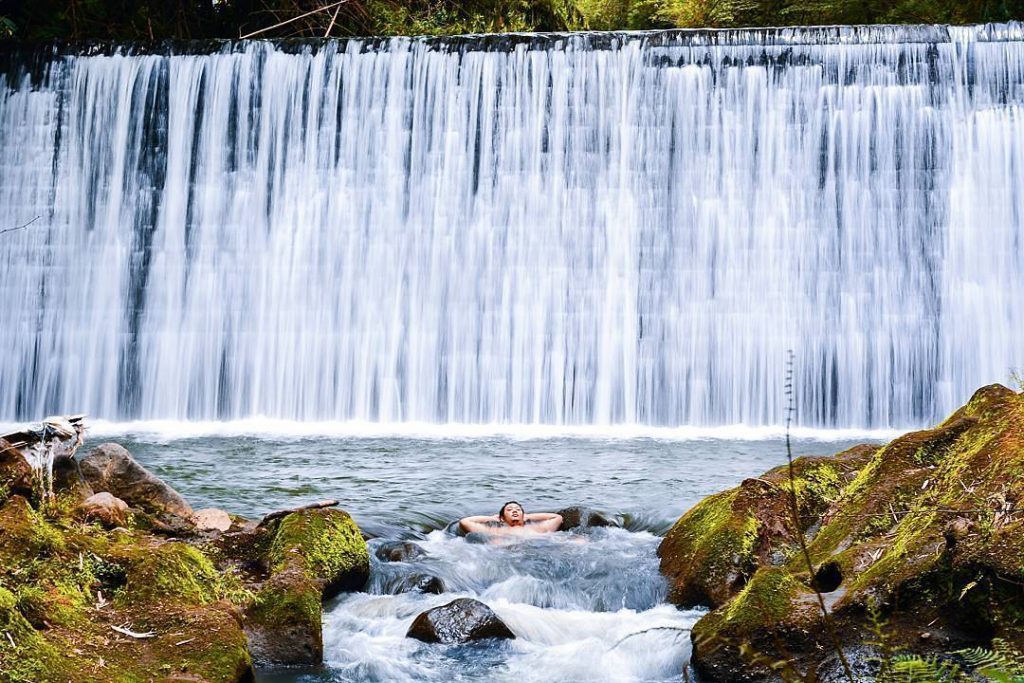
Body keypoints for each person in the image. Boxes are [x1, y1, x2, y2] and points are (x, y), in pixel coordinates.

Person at [458, 501, 563, 536]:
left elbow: (557, 518)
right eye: (509, 509)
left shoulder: (537, 528)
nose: (514, 510)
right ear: (502, 518)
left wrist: (528, 516)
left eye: (518, 509)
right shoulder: (495, 531)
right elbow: (465, 522)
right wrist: (494, 519)